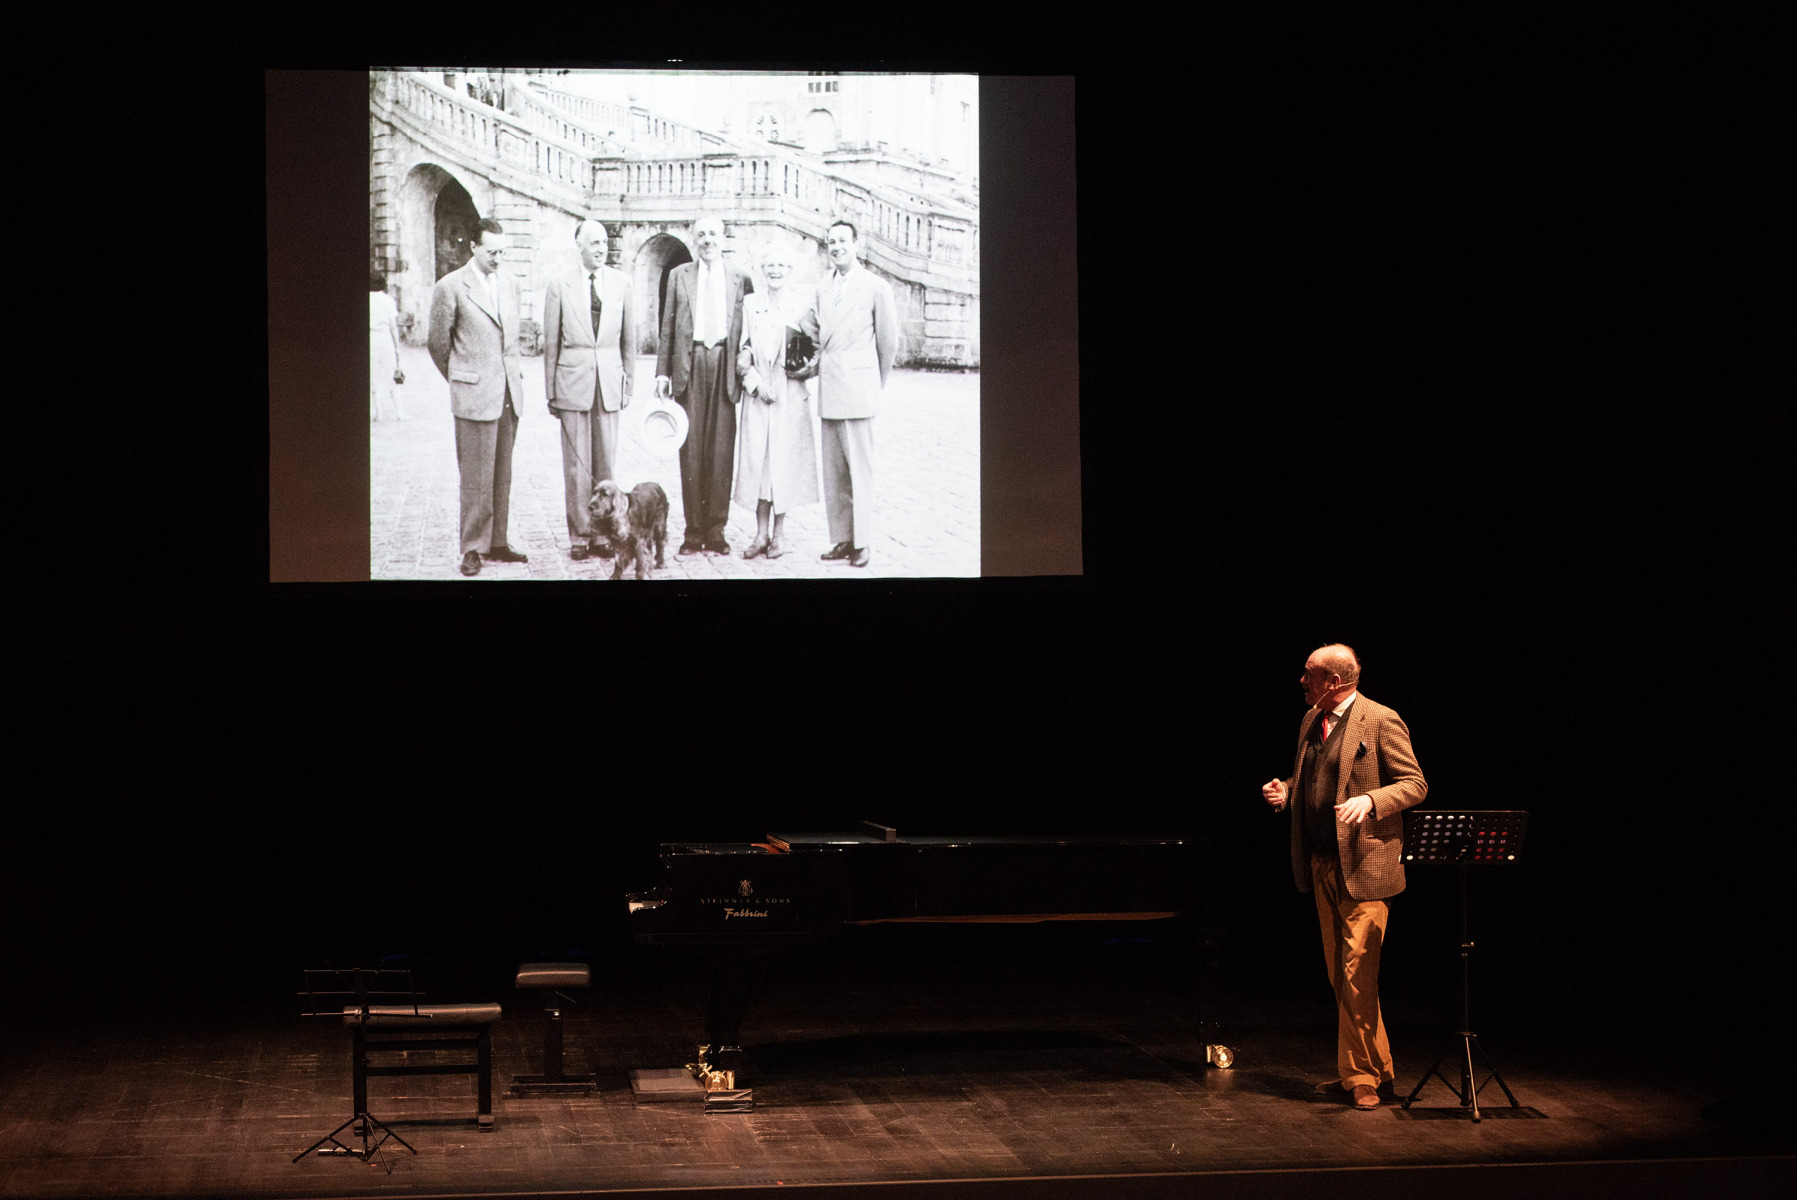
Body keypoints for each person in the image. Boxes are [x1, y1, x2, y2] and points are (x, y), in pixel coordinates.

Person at [1261, 644, 1427, 1110]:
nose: (1302, 681)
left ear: (1333, 681)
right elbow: (1314, 779)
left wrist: (1371, 800)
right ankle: (1379, 1069)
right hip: (1322, 863)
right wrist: (1287, 791)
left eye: (1309, 674)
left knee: (1356, 970)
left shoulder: (1380, 720)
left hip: (1366, 866)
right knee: (1343, 973)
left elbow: (1415, 784)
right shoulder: (1311, 720)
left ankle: (1360, 1077)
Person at [428, 217, 529, 577]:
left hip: (508, 395)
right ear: (473, 247)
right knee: (475, 476)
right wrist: (463, 378)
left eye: (503, 252)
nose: (498, 259)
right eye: (491, 252)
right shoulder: (451, 286)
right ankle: (472, 547)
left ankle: (497, 541)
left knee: (502, 473)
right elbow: (438, 344)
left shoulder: (512, 284)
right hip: (473, 395)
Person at [655, 216, 753, 556]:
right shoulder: (678, 275)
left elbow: (751, 327)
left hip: (725, 364)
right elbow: (667, 327)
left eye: (712, 234)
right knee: (691, 449)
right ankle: (693, 531)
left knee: (721, 451)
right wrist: (662, 374)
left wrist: (748, 356)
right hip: (690, 363)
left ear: (723, 238)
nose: (707, 240)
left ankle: (716, 530)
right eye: (701, 235)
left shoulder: (741, 278)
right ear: (693, 240)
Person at [543, 219, 634, 562]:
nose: (601, 248)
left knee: (606, 462)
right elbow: (551, 342)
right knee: (576, 466)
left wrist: (628, 382)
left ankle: (603, 534)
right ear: (578, 245)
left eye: (604, 243)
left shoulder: (622, 283)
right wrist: (551, 389)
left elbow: (629, 338)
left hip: (608, 383)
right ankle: (580, 535)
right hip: (572, 382)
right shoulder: (559, 285)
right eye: (594, 243)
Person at [814, 220, 897, 568]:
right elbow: (812, 330)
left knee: (860, 472)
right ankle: (843, 539)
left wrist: (874, 383)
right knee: (834, 473)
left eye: (843, 241)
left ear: (856, 244)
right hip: (830, 387)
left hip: (858, 389)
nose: (836, 247)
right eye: (831, 242)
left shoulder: (876, 287)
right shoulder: (822, 287)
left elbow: (888, 342)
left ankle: (862, 542)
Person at [734, 241, 821, 559]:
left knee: (783, 466)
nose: (775, 271)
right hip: (759, 397)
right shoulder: (750, 304)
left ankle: (780, 535)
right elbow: (741, 350)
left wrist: (806, 370)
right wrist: (755, 384)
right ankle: (760, 534)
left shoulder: (802, 306)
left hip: (789, 396)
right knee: (759, 464)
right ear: (762, 270)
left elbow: (816, 350)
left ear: (790, 270)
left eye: (781, 266)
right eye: (770, 265)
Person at [369, 269, 406, 422]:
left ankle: (379, 413)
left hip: (371, 337)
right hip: (385, 338)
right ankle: (400, 412)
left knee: (373, 375)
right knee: (392, 373)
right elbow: (393, 326)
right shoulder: (388, 300)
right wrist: (397, 346)